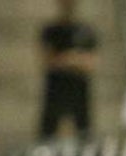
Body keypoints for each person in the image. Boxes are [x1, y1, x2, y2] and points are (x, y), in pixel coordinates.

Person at [39, 0, 98, 139]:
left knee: (84, 133)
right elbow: (47, 60)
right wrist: (74, 58)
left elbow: (91, 63)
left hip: (78, 90)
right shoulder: (51, 31)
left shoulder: (85, 31)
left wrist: (64, 58)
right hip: (56, 89)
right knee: (48, 134)